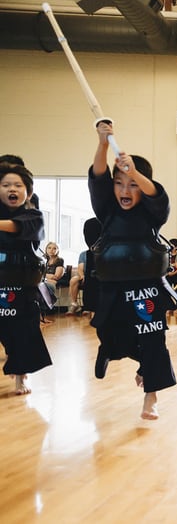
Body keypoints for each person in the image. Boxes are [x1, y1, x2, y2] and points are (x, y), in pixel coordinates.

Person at [88, 120, 175, 420]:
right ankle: (110, 350)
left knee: (152, 337)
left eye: (133, 184)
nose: (125, 189)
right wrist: (102, 142)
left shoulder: (153, 215)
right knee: (109, 331)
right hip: (112, 285)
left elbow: (158, 197)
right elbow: (98, 176)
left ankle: (150, 396)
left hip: (146, 286)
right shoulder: (106, 209)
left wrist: (133, 170)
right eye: (120, 183)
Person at [0, 162, 52, 395]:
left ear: (28, 192)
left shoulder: (33, 215)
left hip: (23, 285)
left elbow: (15, 227)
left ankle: (21, 375)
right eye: (5, 185)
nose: (12, 189)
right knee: (6, 333)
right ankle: (14, 359)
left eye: (17, 185)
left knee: (24, 330)